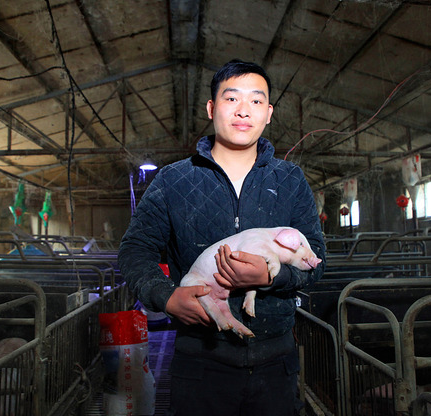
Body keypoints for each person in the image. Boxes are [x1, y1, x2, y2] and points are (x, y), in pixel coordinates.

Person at [118, 59, 326, 416]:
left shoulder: (290, 180)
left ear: (269, 113)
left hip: (276, 361)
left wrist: (271, 276)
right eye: (232, 99)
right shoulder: (173, 181)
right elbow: (134, 252)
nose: (244, 110)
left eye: (257, 101)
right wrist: (166, 297)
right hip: (200, 363)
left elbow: (316, 261)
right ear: (212, 108)